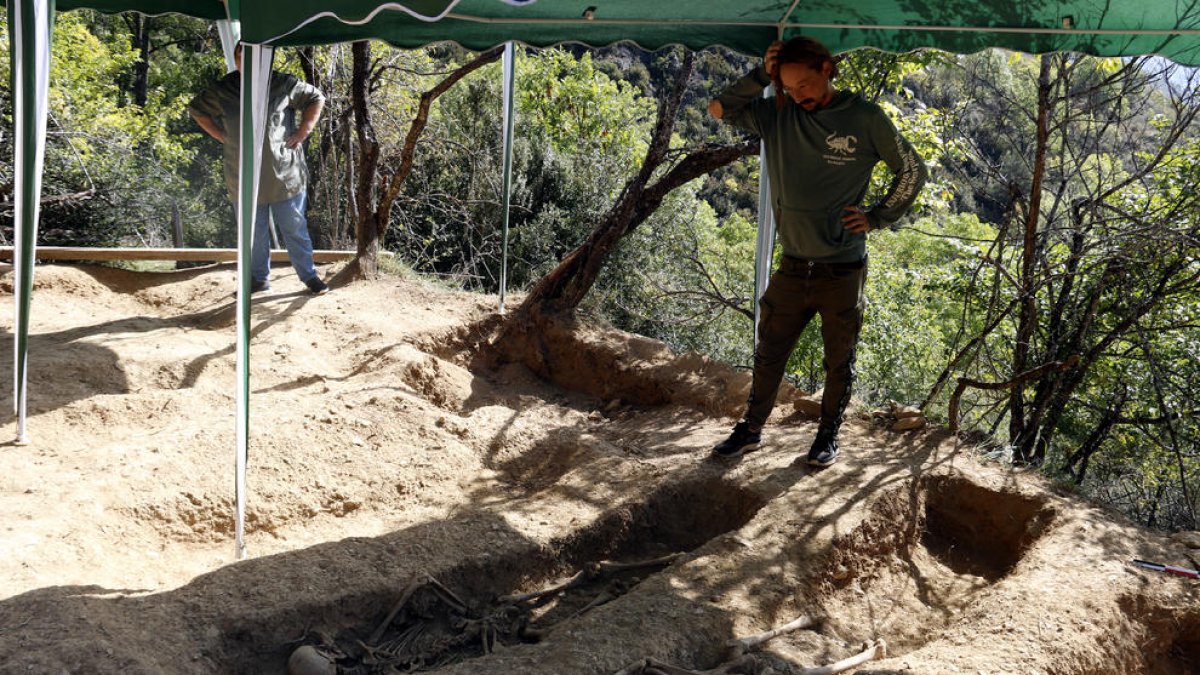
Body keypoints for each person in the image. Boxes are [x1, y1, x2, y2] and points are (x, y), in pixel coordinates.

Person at [708, 36, 927, 467]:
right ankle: (750, 431)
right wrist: (760, 76)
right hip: (792, 264)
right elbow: (719, 110)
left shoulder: (864, 117)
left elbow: (913, 171)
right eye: (788, 87)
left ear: (827, 69)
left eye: (804, 85)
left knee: (839, 358)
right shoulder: (779, 114)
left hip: (842, 268)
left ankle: (827, 436)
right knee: (769, 351)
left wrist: (878, 216)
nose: (797, 95)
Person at [189, 46, 329, 295]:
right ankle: (258, 280)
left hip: (284, 176)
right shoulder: (225, 88)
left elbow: (316, 98)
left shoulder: (282, 83)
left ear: (266, 59)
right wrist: (222, 137)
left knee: (294, 228)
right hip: (242, 175)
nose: (248, 63)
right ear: (236, 59)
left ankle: (309, 277)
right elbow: (197, 110)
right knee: (253, 234)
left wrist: (303, 131)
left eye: (254, 58)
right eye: (242, 58)